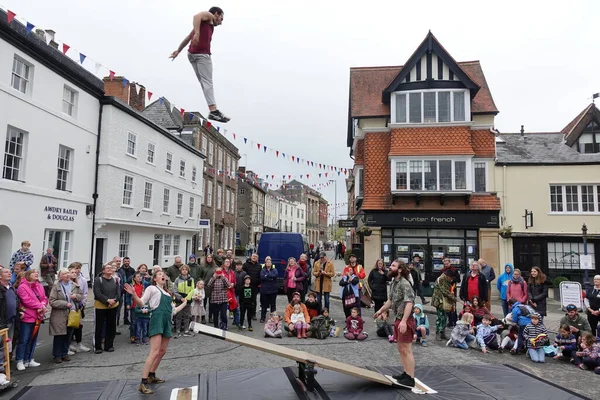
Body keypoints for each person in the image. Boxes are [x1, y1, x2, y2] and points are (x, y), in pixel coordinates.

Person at [124, 271, 188, 394]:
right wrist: (134, 295)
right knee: (154, 352)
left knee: (162, 351)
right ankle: (143, 382)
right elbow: (141, 302)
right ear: (154, 279)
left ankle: (151, 375)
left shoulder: (168, 294)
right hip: (157, 320)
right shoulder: (152, 288)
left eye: (163, 274)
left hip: (166, 322)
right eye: (159, 274)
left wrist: (185, 303)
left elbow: (173, 311)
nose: (162, 275)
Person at [169, 7, 230, 123]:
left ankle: (212, 109)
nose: (221, 22)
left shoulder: (202, 25)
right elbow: (196, 16)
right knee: (207, 82)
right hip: (202, 56)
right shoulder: (210, 17)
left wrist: (178, 51)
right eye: (221, 18)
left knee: (204, 83)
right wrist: (197, 33)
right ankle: (213, 111)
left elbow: (188, 38)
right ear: (216, 14)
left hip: (191, 54)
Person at [373, 260, 416, 389]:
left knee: (407, 349)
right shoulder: (393, 283)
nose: (390, 267)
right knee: (401, 348)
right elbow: (390, 300)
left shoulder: (404, 284)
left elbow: (409, 303)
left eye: (393, 266)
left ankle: (411, 378)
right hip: (398, 318)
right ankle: (406, 373)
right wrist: (380, 310)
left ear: (400, 269)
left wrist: (404, 321)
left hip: (405, 319)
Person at [49, 268, 83, 364]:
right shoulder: (56, 286)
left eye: (68, 273)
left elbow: (81, 296)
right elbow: (52, 301)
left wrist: (76, 296)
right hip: (59, 314)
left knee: (68, 335)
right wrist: (64, 303)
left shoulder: (74, 285)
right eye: (65, 273)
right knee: (59, 335)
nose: (68, 275)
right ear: (60, 276)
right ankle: (57, 355)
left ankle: (64, 353)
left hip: (72, 314)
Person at [15, 269, 47, 370]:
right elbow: (26, 300)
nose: (37, 274)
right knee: (24, 339)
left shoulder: (39, 285)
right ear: (28, 275)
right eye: (34, 273)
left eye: (37, 273)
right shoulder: (22, 287)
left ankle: (28, 359)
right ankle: (19, 360)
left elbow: (44, 298)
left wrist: (42, 304)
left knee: (33, 339)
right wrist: (40, 306)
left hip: (38, 316)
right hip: (28, 316)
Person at [93, 263, 121, 354]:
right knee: (99, 327)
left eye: (111, 268)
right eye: (107, 268)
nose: (109, 269)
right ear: (103, 270)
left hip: (113, 306)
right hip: (101, 306)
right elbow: (97, 293)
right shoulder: (98, 280)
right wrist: (107, 301)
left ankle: (109, 345)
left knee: (111, 326)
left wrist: (114, 300)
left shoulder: (115, 280)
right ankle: (98, 347)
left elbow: (118, 292)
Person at [68, 262, 90, 353]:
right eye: (75, 269)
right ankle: (68, 345)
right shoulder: (67, 280)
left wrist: (83, 304)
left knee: (78, 325)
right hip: (69, 306)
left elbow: (84, 293)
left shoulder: (83, 280)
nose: (77, 271)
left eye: (79, 268)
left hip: (78, 306)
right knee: (69, 326)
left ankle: (79, 343)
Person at [431, 269, 456, 341]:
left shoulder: (445, 279)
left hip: (444, 301)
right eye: (451, 277)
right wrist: (453, 298)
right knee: (440, 317)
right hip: (439, 301)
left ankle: (442, 332)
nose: (451, 279)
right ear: (448, 276)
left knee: (444, 317)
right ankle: (438, 333)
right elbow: (444, 290)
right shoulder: (441, 279)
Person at [173, 265, 195, 338]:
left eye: (186, 269)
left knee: (186, 315)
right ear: (181, 271)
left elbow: (192, 289)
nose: (184, 271)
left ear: (188, 270)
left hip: (187, 299)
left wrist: (187, 298)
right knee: (178, 315)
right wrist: (180, 298)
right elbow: (175, 290)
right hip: (179, 299)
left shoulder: (191, 279)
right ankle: (177, 330)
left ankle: (186, 330)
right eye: (183, 270)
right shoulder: (177, 279)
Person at [259, 257, 278, 323]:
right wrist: (270, 277)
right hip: (264, 290)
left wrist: (267, 276)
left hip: (273, 290)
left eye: (269, 262)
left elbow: (275, 275)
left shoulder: (274, 269)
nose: (268, 263)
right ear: (265, 263)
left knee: (273, 305)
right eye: (267, 262)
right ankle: (262, 318)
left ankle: (273, 318)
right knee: (264, 305)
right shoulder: (263, 270)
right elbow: (262, 277)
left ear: (271, 263)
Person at [242, 254, 261, 320]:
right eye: (253, 256)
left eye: (256, 257)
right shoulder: (245, 264)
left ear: (257, 258)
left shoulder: (259, 266)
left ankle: (253, 314)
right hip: (246, 286)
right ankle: (244, 314)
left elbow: (260, 275)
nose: (254, 258)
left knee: (253, 301)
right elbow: (243, 274)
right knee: (245, 300)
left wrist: (258, 282)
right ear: (251, 257)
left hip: (254, 286)